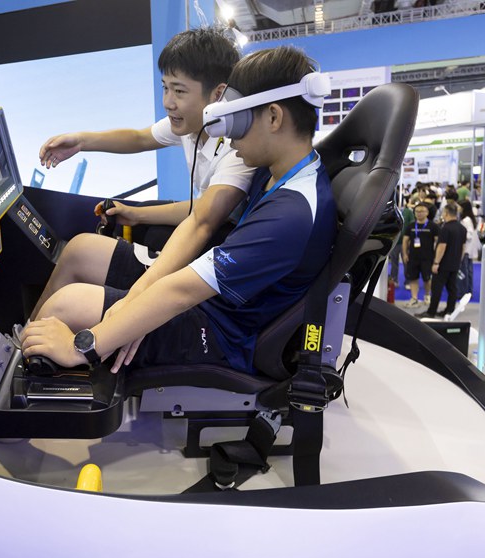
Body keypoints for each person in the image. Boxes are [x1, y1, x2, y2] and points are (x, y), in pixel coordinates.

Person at [21, 46, 337, 375]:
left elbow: (182, 291)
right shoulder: (280, 171)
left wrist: (83, 345)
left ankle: (22, 380)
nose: (230, 139)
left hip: (222, 332)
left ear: (273, 117)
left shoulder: (290, 215)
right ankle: (24, 354)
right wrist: (135, 306)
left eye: (238, 123)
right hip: (212, 299)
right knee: (80, 252)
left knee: (66, 306)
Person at [31, 28, 253, 318]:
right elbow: (139, 138)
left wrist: (138, 298)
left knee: (77, 252)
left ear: (218, 94)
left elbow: (203, 221)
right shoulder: (191, 124)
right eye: (165, 88)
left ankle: (24, 341)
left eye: (179, 91)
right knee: (86, 247)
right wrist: (82, 141)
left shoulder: (237, 148)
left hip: (211, 269)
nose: (168, 102)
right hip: (205, 245)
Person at [418, 203, 466, 318]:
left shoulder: (446, 228)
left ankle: (431, 311)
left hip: (443, 264)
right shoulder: (462, 228)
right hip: (455, 263)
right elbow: (463, 247)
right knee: (452, 288)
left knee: (436, 288)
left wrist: (436, 262)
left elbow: (441, 246)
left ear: (446, 213)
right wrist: (459, 260)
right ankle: (449, 310)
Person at [402, 203, 438, 307]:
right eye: (417, 211)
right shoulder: (411, 226)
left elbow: (438, 242)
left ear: (427, 213)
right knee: (413, 278)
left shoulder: (433, 226)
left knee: (427, 278)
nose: (419, 213)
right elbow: (405, 241)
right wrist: (405, 254)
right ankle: (414, 298)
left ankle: (427, 296)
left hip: (428, 257)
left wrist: (436, 257)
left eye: (422, 211)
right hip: (413, 257)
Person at [456, 198, 479, 299]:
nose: (458, 209)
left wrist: (459, 237)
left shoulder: (466, 220)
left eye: (459, 207)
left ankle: (463, 292)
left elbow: (468, 235)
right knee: (468, 272)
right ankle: (468, 291)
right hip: (469, 249)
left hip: (465, 249)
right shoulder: (470, 219)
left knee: (463, 272)